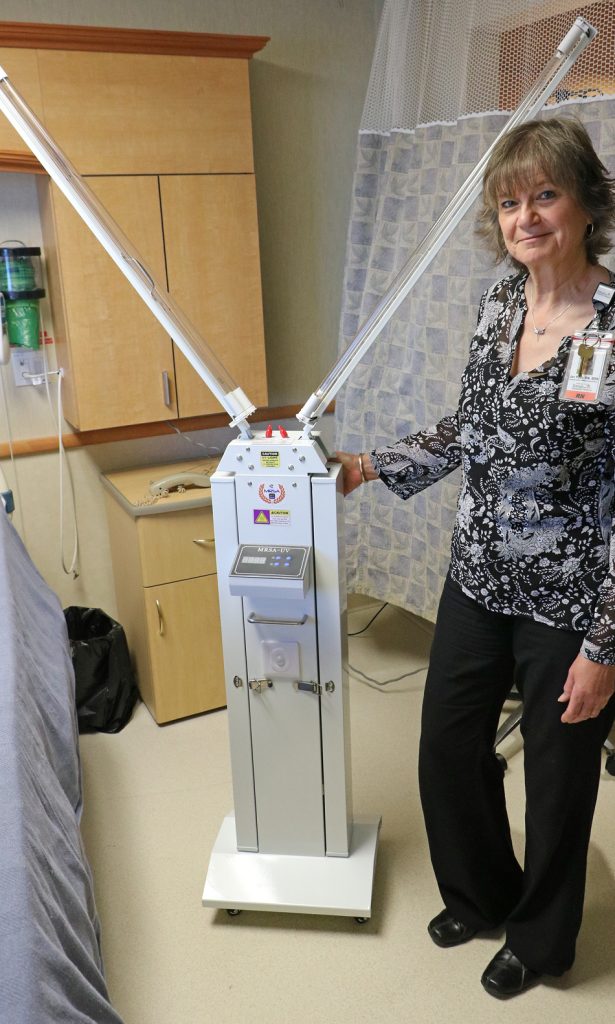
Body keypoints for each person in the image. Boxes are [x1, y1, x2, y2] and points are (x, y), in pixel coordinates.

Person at [337, 116, 615, 999]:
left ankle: (540, 940)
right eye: (508, 202)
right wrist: (373, 464)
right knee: (448, 744)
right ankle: (481, 893)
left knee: (558, 774)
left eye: (544, 195)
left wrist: (604, 648)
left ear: (584, 205)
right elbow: (471, 426)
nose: (525, 217)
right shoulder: (502, 300)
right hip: (479, 571)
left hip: (568, 597)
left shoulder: (611, 328)